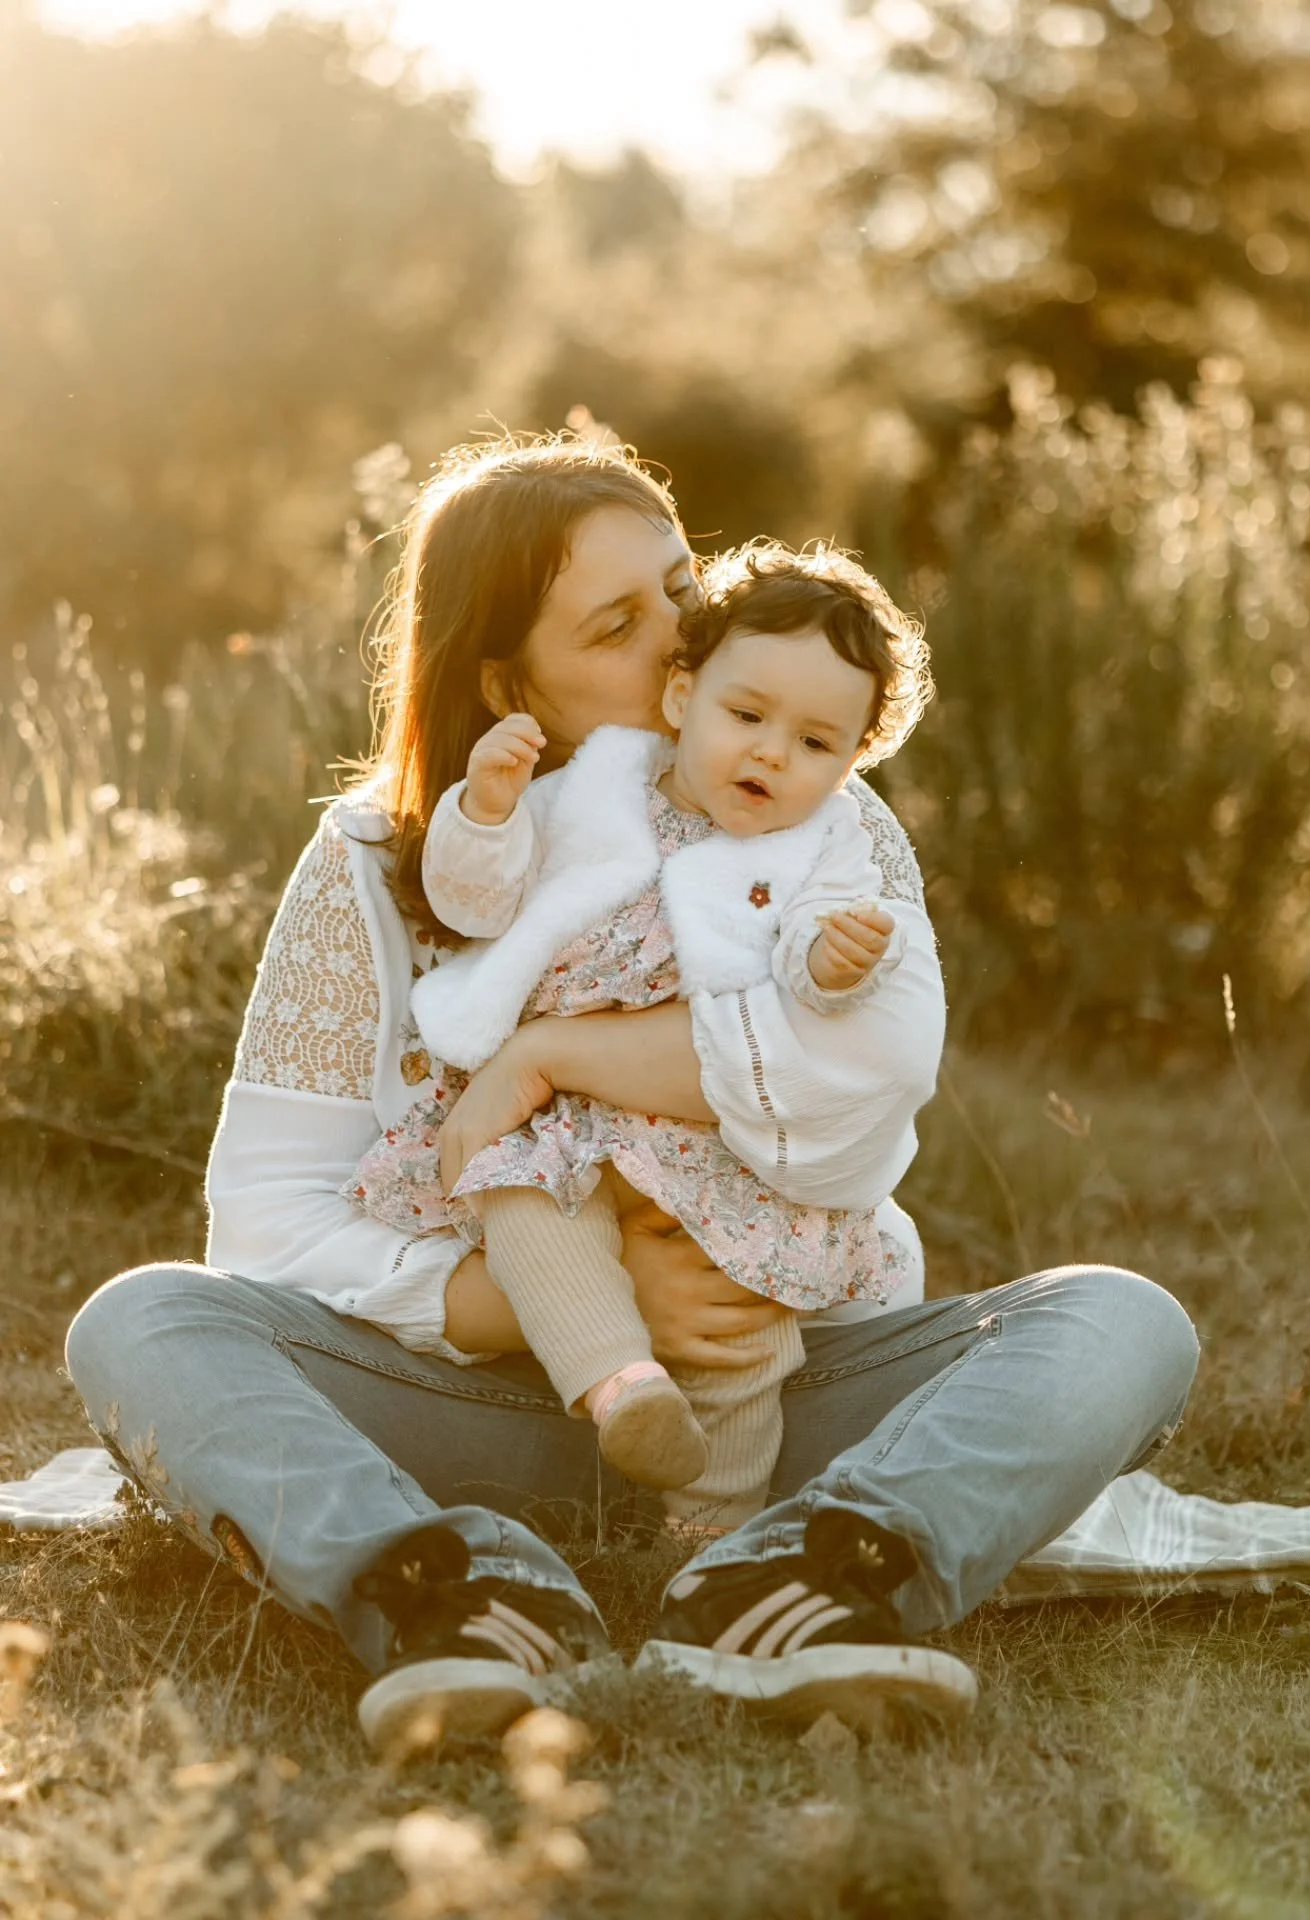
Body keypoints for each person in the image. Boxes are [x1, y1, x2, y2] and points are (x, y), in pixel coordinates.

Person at [62, 435, 1199, 1755]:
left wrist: (561, 1065)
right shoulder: (378, 860)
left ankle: (799, 1576)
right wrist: (554, 1312)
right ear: (511, 683)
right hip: (464, 1411)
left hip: (760, 1382)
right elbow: (264, 1227)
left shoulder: (827, 820)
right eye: (619, 624)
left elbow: (848, 1096)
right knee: (139, 1323)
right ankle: (447, 1587)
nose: (683, 640)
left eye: (683, 587)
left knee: (1124, 1322)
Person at [343, 542, 934, 1534]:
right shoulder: (600, 789)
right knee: (526, 1206)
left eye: (816, 743)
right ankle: (621, 1388)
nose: (771, 755)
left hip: (712, 1147)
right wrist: (485, 812)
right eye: (746, 717)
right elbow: (475, 899)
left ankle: (714, 1538)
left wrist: (833, 958)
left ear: (853, 760)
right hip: (567, 1122)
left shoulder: (827, 849)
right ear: (683, 697)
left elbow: (811, 997)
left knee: (742, 1331)